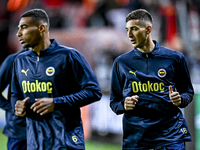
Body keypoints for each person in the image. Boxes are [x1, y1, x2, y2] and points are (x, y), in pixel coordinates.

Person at [11, 8, 102, 150]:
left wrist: (56, 103)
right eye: (18, 28)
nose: (18, 33)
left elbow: (94, 91)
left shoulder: (69, 56)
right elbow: (15, 94)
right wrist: (17, 105)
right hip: (35, 143)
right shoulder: (20, 60)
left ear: (41, 28)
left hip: (66, 141)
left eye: (24, 27)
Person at [110, 9, 194, 150]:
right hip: (136, 138)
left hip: (170, 136)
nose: (129, 34)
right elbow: (114, 102)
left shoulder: (175, 58)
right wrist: (124, 105)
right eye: (127, 30)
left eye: (134, 29)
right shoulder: (121, 63)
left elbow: (188, 92)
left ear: (148, 29)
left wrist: (180, 99)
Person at [0, 49, 29, 150]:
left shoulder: (53, 60)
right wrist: (13, 108)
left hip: (46, 129)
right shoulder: (12, 61)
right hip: (19, 130)